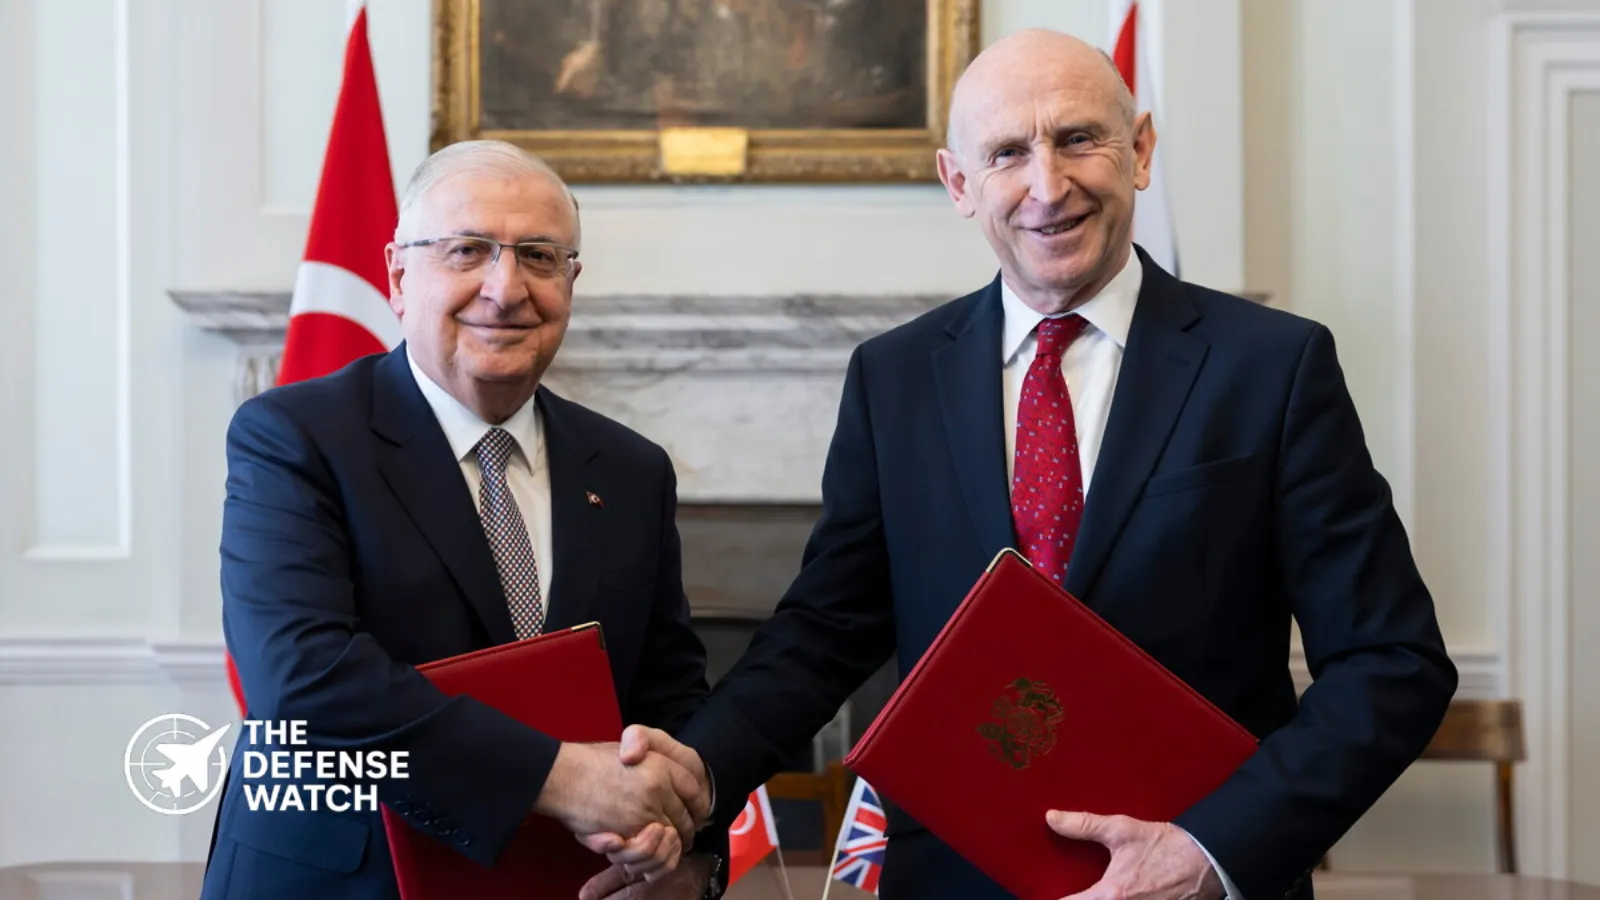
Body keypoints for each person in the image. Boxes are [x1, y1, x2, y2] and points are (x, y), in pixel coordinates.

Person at [584, 28, 1458, 900]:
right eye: (1008, 153)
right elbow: (825, 633)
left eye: (1079, 138)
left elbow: (1392, 663)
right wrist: (697, 777)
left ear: (1140, 150)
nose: (1049, 185)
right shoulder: (895, 377)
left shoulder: (1271, 367)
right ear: (958, 183)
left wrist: (1209, 853)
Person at [201, 140, 722, 900]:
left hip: (565, 882)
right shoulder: (296, 435)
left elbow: (669, 694)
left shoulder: (631, 470)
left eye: (539, 257)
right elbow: (300, 679)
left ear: (571, 282)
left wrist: (694, 858)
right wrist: (561, 777)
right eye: (467, 250)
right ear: (398, 277)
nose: (505, 290)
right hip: (342, 881)